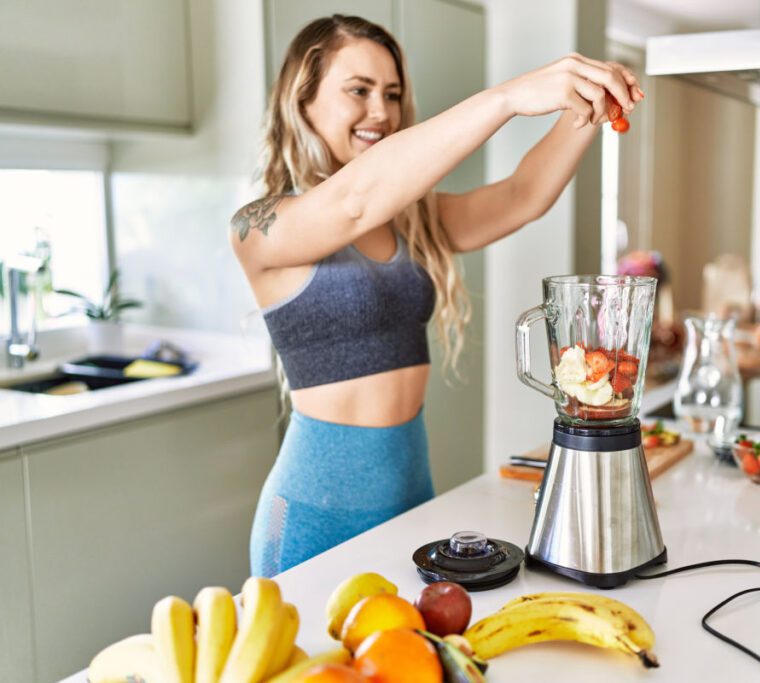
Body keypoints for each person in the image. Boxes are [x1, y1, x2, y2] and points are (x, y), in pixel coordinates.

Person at [230, 14, 642, 577]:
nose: (381, 111)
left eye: (392, 94)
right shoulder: (263, 226)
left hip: (412, 501)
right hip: (312, 519)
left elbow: (523, 196)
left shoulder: (414, 220)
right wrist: (508, 98)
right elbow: (353, 202)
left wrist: (589, 108)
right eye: (359, 90)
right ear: (303, 103)